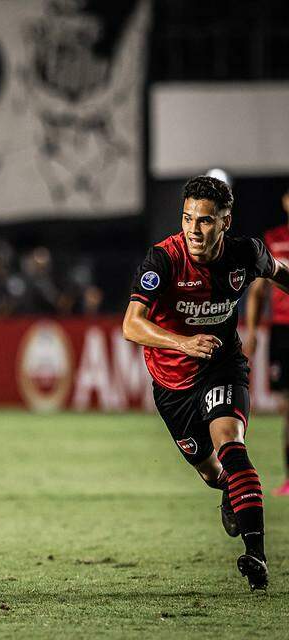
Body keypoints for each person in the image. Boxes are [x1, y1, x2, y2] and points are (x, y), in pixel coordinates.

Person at [123, 175, 289, 591]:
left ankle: (257, 555)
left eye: (205, 221)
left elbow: (279, 270)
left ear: (225, 221)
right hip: (172, 387)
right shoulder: (163, 260)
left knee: (233, 448)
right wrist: (183, 342)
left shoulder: (245, 254)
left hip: (222, 366)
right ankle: (228, 490)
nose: (194, 231)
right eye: (187, 219)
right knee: (214, 474)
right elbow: (131, 325)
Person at [244, 187, 289, 496]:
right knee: (288, 406)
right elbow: (258, 290)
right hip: (283, 330)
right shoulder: (272, 239)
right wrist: (250, 331)